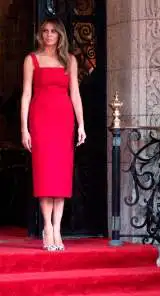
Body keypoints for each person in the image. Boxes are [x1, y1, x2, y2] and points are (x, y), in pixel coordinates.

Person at [20, 17, 86, 251]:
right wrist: (24, 128)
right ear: (40, 34)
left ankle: (57, 229)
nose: (49, 35)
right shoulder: (32, 59)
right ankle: (47, 226)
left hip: (63, 120)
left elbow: (75, 94)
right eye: (45, 31)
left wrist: (81, 125)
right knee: (45, 174)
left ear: (60, 35)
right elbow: (26, 94)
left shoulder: (69, 60)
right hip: (40, 121)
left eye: (53, 31)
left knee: (60, 175)